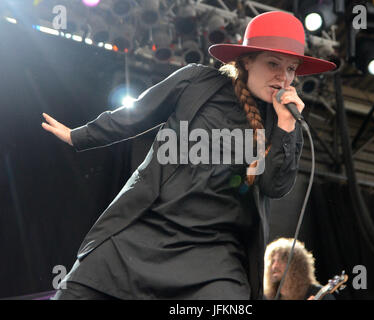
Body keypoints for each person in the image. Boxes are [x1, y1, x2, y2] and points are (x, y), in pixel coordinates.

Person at [42, 11, 336, 299]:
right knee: (75, 292)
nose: (282, 76)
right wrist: (80, 135)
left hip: (215, 255)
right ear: (246, 60)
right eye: (273, 63)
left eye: (291, 68)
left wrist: (286, 127)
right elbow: (136, 114)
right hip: (146, 229)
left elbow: (276, 186)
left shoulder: (284, 121)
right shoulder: (197, 82)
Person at [264, 237, 336, 300]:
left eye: (282, 259)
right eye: (273, 261)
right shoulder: (269, 296)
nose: (275, 266)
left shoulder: (319, 294)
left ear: (296, 265)